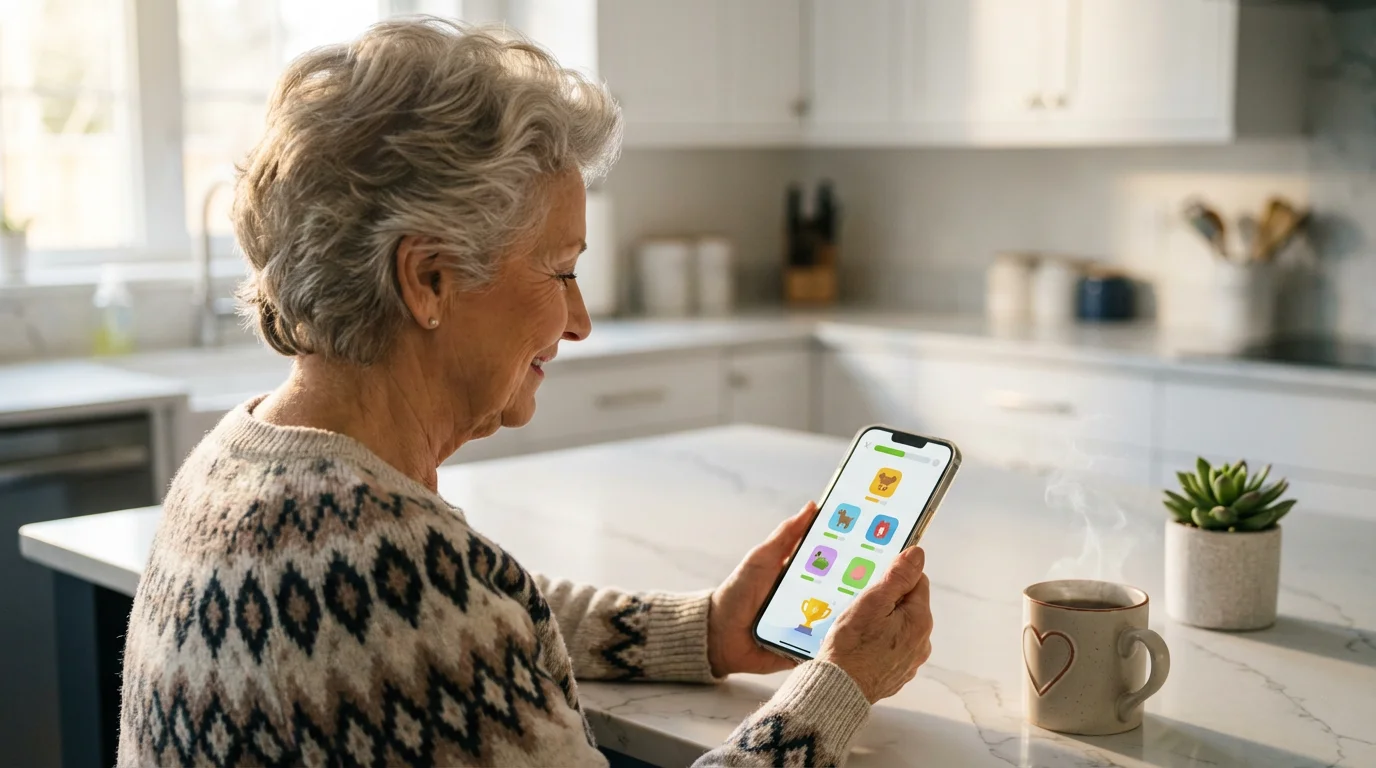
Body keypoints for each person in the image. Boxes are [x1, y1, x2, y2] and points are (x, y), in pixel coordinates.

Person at [117, 18, 933, 767]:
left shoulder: (230, 465)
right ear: (429, 278)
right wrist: (839, 688)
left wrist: (705, 628)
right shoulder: (403, 569)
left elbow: (483, 616)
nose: (579, 321)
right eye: (561, 269)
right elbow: (445, 617)